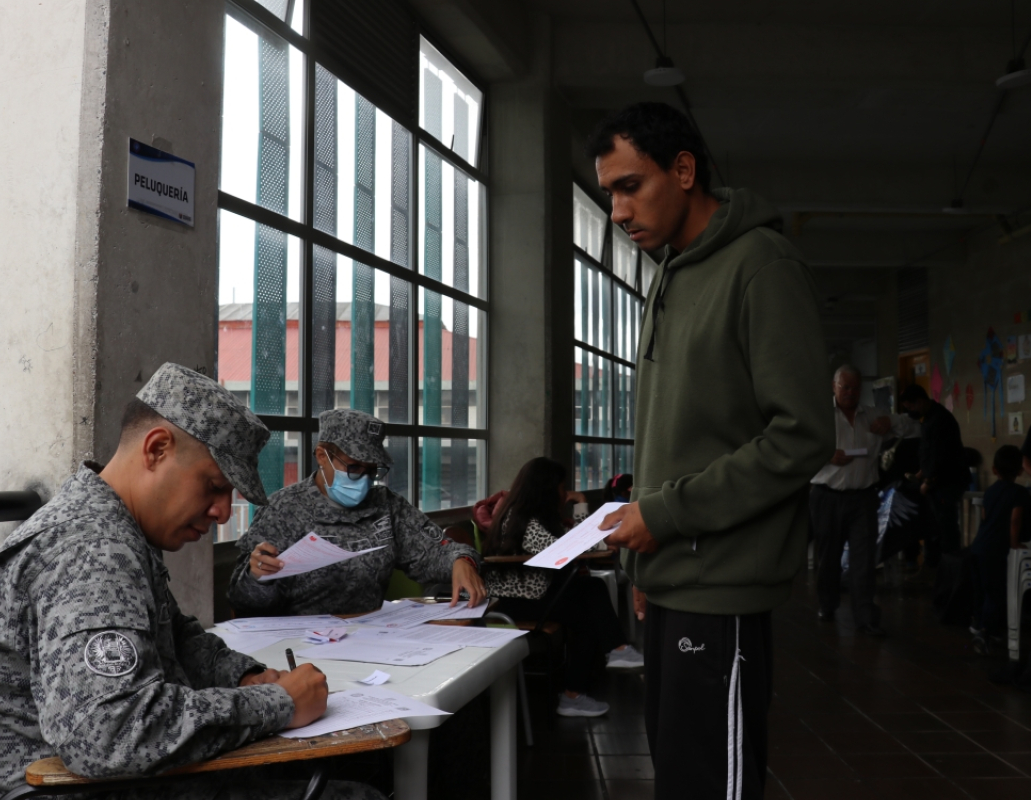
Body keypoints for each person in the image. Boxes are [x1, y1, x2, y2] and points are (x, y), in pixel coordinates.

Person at [0, 363, 382, 800]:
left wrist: (247, 677)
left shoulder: (113, 530)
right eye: (213, 486)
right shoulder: (92, 549)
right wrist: (278, 705)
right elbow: (109, 735)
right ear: (156, 450)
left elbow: (178, 636)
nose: (223, 513)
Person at [587, 102, 833, 799]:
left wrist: (662, 519)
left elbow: (802, 434)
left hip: (722, 585)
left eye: (631, 185)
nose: (617, 208)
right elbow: (675, 436)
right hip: (671, 578)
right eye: (609, 192)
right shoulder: (670, 271)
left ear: (685, 170)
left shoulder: (761, 265)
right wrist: (644, 562)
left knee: (708, 784)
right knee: (678, 776)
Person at [229, 408, 486, 616]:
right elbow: (242, 601)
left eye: (371, 470)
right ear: (322, 456)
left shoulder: (386, 506)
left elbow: (432, 551)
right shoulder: (282, 510)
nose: (363, 479)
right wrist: (258, 577)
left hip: (373, 637)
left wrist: (461, 560)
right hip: (299, 645)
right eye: (353, 467)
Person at [482, 457, 643, 717]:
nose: (564, 492)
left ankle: (614, 653)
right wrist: (580, 506)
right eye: (562, 486)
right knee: (587, 611)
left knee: (592, 589)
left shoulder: (529, 515)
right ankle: (577, 690)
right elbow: (565, 550)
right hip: (515, 601)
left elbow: (574, 544)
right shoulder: (520, 518)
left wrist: (585, 526)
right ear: (547, 487)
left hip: (533, 594)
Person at [810, 365, 913, 637]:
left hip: (863, 497)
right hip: (827, 495)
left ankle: (866, 617)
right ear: (833, 387)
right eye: (845, 387)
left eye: (855, 388)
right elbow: (799, 449)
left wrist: (891, 423)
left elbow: (913, 427)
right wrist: (826, 455)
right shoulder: (820, 415)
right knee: (829, 556)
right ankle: (827, 604)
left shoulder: (873, 416)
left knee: (864, 558)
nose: (850, 393)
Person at [900, 384, 970, 567]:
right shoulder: (928, 418)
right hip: (935, 481)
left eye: (911, 407)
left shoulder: (940, 420)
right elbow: (928, 452)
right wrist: (920, 474)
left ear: (921, 401)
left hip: (947, 482)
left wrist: (928, 482)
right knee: (932, 526)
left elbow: (941, 457)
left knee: (945, 529)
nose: (910, 411)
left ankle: (949, 569)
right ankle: (933, 567)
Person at [968, 445, 1029, 653]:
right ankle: (985, 633)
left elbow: (984, 516)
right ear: (1021, 470)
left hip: (977, 547)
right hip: (995, 551)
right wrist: (1015, 544)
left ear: (994, 470)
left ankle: (977, 623)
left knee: (981, 591)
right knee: (995, 593)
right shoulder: (1020, 492)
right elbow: (1015, 520)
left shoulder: (990, 491)